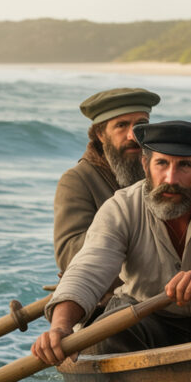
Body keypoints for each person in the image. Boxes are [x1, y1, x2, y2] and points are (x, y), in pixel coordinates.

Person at [32, 120, 191, 365]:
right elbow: (88, 269)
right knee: (104, 335)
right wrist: (60, 327)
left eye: (184, 165)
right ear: (145, 164)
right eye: (162, 163)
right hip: (145, 320)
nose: (171, 178)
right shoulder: (121, 207)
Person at [54, 87, 160, 275]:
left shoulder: (164, 173)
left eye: (141, 125)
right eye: (121, 125)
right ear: (100, 134)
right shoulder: (77, 180)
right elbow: (68, 256)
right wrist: (130, 229)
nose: (133, 135)